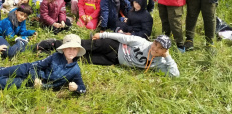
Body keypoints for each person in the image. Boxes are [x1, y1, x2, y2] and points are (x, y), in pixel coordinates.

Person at [0, 34, 87, 94]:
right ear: (63, 49)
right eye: (69, 47)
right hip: (28, 70)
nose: (71, 51)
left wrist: (76, 88)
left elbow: (83, 88)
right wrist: (35, 79)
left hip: (30, 84)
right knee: (0, 72)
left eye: (75, 48)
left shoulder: (75, 70)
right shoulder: (55, 56)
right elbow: (37, 65)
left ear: (78, 51)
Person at [34, 34, 180, 77]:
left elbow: (175, 75)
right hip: (113, 46)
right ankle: (52, 44)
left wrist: (168, 58)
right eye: (156, 44)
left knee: (85, 58)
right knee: (85, 45)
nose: (155, 49)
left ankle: (53, 55)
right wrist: (102, 35)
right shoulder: (142, 42)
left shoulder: (161, 62)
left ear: (164, 51)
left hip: (114, 60)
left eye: (160, 48)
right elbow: (122, 37)